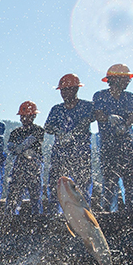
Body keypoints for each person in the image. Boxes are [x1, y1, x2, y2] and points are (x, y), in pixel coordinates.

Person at [44, 74, 95, 209]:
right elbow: (47, 127)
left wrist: (75, 132)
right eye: (63, 90)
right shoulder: (57, 109)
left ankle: (85, 216)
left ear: (76, 90)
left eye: (67, 90)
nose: (64, 93)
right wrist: (58, 131)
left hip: (81, 155)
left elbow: (94, 116)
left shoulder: (87, 106)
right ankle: (54, 215)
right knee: (56, 187)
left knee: (82, 187)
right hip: (60, 155)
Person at [93, 65, 133, 212]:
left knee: (129, 178)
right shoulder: (100, 95)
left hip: (126, 141)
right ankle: (108, 210)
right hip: (107, 143)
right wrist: (108, 118)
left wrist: (124, 126)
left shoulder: (129, 96)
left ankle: (132, 210)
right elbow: (98, 114)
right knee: (109, 179)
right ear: (114, 79)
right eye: (125, 79)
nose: (127, 82)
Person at [4, 101, 44, 215]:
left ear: (33, 116)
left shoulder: (38, 130)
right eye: (23, 116)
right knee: (13, 196)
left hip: (34, 166)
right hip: (19, 166)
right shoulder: (15, 132)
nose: (24, 118)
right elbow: (10, 146)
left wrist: (20, 148)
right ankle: (10, 220)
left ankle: (38, 221)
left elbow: (30, 141)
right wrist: (18, 149)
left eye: (27, 116)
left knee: (35, 196)